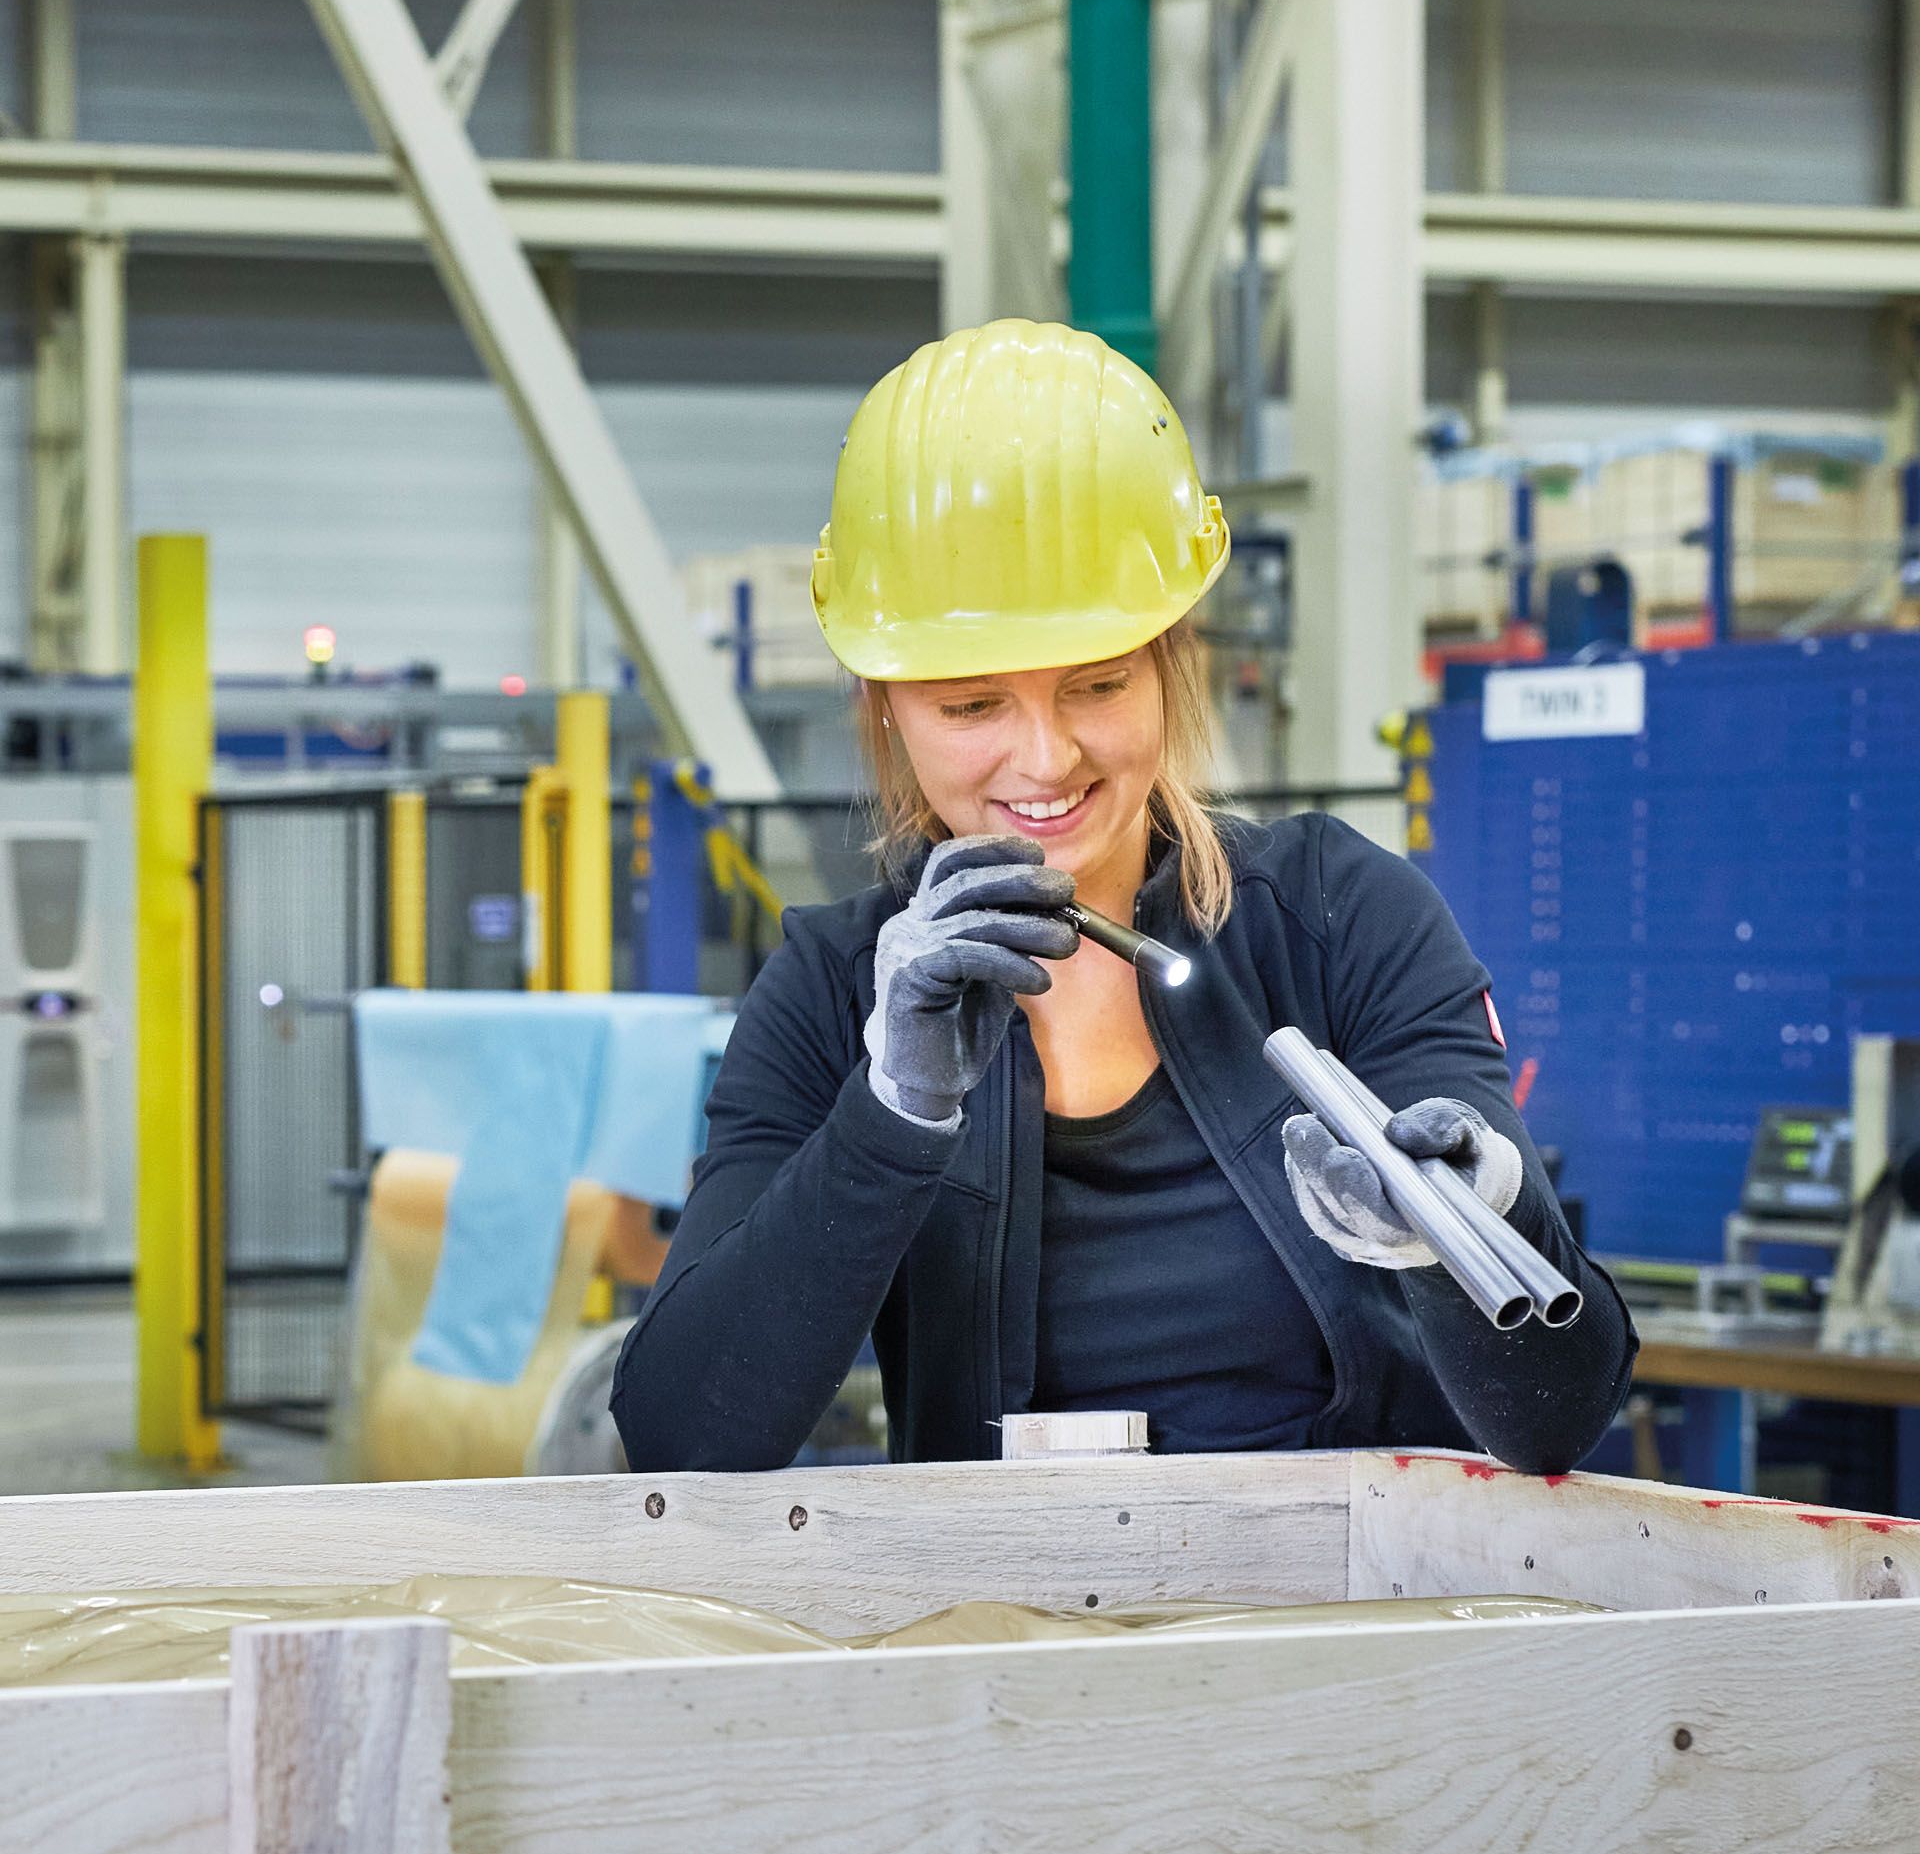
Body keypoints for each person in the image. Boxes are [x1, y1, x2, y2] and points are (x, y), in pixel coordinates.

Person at [611, 318, 1634, 1474]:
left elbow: (1558, 1414)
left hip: (1363, 1627)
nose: (1045, 760)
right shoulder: (833, 993)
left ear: (1169, 663)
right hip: (1013, 1638)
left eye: (1097, 684)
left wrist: (1473, 1218)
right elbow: (681, 1435)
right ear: (884, 704)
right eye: (971, 707)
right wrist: (891, 1115)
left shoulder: (1342, 923)